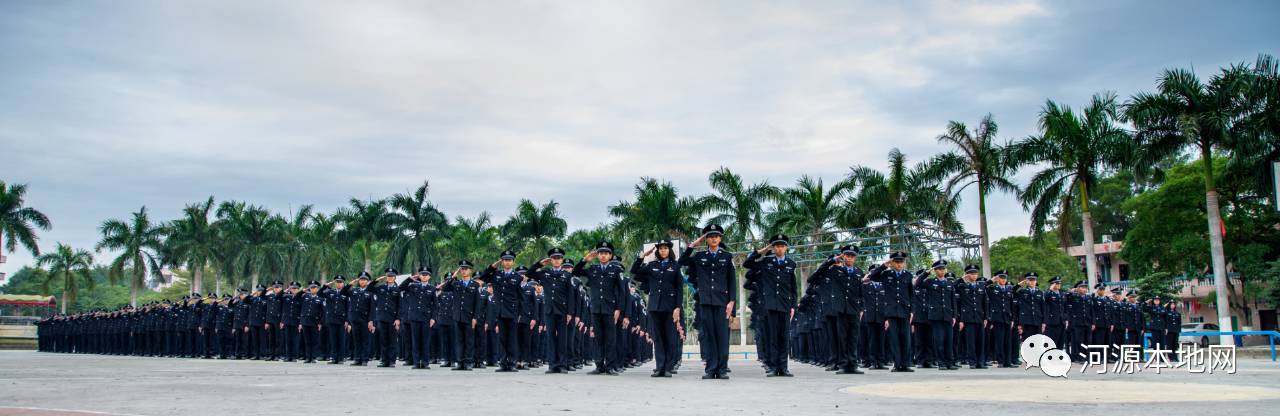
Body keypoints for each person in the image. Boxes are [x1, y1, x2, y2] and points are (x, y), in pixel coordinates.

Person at [679, 224, 738, 380]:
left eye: (716, 236)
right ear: (706, 239)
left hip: (722, 302)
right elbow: (682, 261)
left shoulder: (727, 257)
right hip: (705, 301)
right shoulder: (699, 257)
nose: (713, 238)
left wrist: (732, 303)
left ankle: (722, 369)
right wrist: (692, 245)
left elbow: (732, 281)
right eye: (710, 236)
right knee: (709, 336)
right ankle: (711, 369)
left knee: (722, 336)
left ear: (720, 238)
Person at [744, 234, 798, 377]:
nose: (779, 249)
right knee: (773, 336)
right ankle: (774, 367)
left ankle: (784, 368)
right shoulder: (766, 261)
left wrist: (793, 306)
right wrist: (763, 249)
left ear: (786, 247)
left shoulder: (791, 264)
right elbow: (747, 263)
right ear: (773, 248)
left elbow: (793, 288)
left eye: (782, 246)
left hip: (785, 305)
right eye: (776, 246)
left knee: (784, 337)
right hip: (771, 305)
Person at [630, 239, 685, 378]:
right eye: (660, 248)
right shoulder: (651, 265)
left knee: (670, 338)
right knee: (658, 338)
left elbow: (679, 288)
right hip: (655, 307)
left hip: (670, 307)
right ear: (657, 251)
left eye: (665, 248)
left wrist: (677, 307)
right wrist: (642, 256)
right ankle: (659, 367)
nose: (663, 250)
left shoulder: (675, 266)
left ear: (669, 250)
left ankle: (668, 367)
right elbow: (634, 272)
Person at [868, 251, 913, 372]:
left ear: (904, 263)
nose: (899, 264)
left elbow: (911, 294)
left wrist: (912, 311)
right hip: (891, 311)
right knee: (894, 339)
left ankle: (905, 364)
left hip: (904, 310)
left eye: (901, 262)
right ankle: (897, 364)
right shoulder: (886, 274)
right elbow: (872, 277)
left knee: (905, 338)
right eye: (896, 262)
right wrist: (884, 265)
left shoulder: (908, 275)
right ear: (893, 263)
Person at [479, 250, 524, 372]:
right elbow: (483, 276)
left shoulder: (518, 277)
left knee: (512, 339)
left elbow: (521, 298)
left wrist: (519, 314)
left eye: (509, 260)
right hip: (500, 312)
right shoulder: (496, 275)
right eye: (505, 260)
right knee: (502, 338)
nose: (507, 262)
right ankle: (503, 363)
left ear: (513, 262)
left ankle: (512, 363)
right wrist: (494, 265)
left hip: (513, 313)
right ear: (502, 261)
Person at [922, 260, 958, 370]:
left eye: (943, 269)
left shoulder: (949, 283)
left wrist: (954, 316)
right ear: (935, 270)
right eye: (939, 269)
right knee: (939, 340)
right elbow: (918, 283)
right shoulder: (930, 282)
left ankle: (950, 362)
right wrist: (927, 272)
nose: (941, 271)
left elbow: (953, 301)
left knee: (949, 340)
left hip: (947, 315)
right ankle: (941, 362)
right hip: (936, 315)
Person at [401, 267, 437, 369]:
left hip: (426, 318)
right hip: (414, 317)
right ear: (419, 276)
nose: (424, 276)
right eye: (422, 274)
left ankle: (425, 362)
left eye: (426, 274)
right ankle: (416, 362)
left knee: (425, 341)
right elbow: (400, 288)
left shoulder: (432, 289)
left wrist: (433, 318)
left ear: (429, 276)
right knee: (415, 341)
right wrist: (409, 279)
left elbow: (435, 305)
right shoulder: (413, 286)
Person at [299, 281, 325, 363]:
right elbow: (296, 297)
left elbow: (323, 312)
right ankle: (308, 357)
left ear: (317, 289)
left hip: (315, 322)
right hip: (305, 321)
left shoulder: (320, 299)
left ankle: (313, 357)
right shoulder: (305, 296)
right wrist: (303, 290)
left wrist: (320, 322)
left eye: (314, 288)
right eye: (311, 288)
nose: (312, 289)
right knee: (307, 340)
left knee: (314, 340)